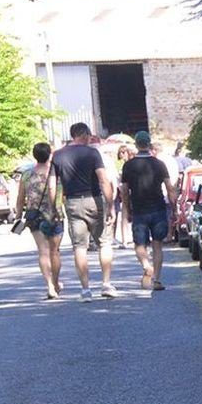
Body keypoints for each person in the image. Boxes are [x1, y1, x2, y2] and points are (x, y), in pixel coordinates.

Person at [52, 122, 116, 301]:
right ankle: (106, 284)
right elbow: (103, 180)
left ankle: (86, 289)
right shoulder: (92, 153)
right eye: (89, 136)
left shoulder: (57, 155)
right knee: (104, 243)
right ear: (85, 134)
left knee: (79, 247)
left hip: (72, 202)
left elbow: (52, 185)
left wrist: (55, 206)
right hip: (94, 200)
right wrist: (110, 205)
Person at [120, 131, 176, 291]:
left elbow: (124, 190)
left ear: (137, 145)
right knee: (157, 244)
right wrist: (174, 209)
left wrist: (126, 208)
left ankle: (146, 265)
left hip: (139, 209)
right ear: (149, 144)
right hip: (158, 208)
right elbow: (169, 188)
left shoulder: (128, 165)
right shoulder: (159, 164)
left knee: (139, 244)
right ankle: (157, 279)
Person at [13, 142, 65, 299]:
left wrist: (17, 217)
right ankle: (56, 283)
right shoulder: (56, 173)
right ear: (50, 155)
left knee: (42, 251)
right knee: (54, 251)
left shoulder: (27, 174)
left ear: (34, 156)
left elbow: (21, 197)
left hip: (33, 215)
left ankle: (49, 285)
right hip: (54, 214)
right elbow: (62, 194)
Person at [111, 144, 134, 247]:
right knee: (125, 216)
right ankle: (126, 239)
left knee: (126, 215)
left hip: (126, 191)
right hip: (125, 191)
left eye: (123, 153)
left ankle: (129, 239)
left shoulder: (127, 165)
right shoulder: (121, 164)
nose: (121, 155)